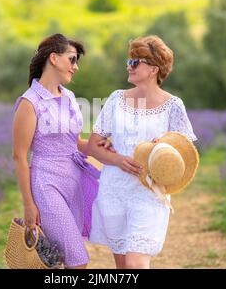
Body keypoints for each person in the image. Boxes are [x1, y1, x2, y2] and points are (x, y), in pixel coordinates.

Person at [87, 35, 198, 269]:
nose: (129, 66)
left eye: (135, 62)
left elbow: (184, 150)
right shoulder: (116, 100)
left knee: (136, 264)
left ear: (153, 69)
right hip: (114, 190)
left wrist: (166, 144)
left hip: (149, 192)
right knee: (123, 267)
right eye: (129, 61)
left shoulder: (173, 105)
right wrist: (117, 159)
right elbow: (94, 145)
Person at [12, 33, 112, 269]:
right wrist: (28, 204)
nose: (75, 67)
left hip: (74, 181)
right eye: (72, 60)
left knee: (65, 261)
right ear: (54, 59)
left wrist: (104, 145)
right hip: (47, 184)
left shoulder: (69, 97)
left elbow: (75, 142)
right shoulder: (30, 102)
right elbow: (19, 155)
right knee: (78, 261)